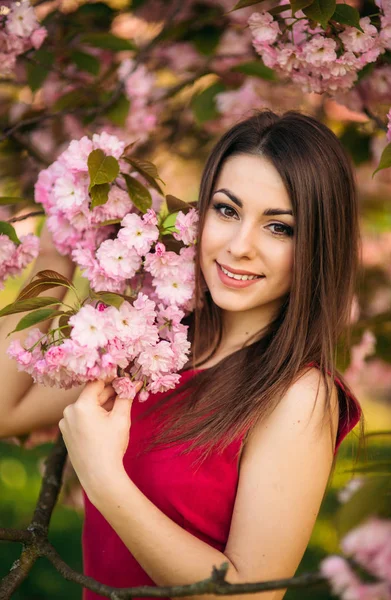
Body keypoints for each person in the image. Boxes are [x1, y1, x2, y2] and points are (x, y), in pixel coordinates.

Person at [0, 109, 363, 600]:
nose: (239, 246)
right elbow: (6, 407)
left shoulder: (297, 394)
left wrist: (104, 478)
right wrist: (54, 255)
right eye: (227, 210)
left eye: (280, 229)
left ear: (318, 245)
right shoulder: (156, 342)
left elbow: (251, 596)